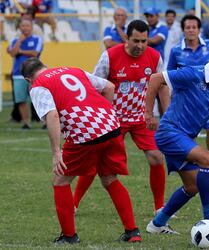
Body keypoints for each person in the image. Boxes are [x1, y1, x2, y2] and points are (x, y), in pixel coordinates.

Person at [21, 57, 142, 244]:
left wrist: (56, 152)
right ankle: (132, 232)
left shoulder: (38, 85)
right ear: (45, 65)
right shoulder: (73, 69)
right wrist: (102, 116)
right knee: (109, 179)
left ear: (28, 79)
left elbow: (52, 115)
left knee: (60, 180)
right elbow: (109, 87)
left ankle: (69, 236)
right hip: (111, 125)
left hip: (85, 133)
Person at [145, 44, 209, 234]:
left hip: (185, 137)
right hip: (169, 132)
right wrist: (149, 115)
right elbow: (155, 79)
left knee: (192, 187)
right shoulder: (192, 74)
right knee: (207, 158)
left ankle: (157, 224)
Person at [73, 20, 169, 216]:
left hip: (141, 118)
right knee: (95, 162)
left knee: (157, 157)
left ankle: (159, 207)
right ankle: (73, 203)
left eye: (144, 41)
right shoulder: (109, 56)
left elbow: (162, 85)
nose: (140, 46)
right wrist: (95, 116)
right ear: (126, 37)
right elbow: (93, 86)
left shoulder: (155, 56)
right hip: (112, 120)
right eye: (136, 41)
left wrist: (165, 115)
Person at [167, 14, 209, 173]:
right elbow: (169, 74)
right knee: (189, 135)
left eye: (194, 27)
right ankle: (194, 162)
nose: (191, 30)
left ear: (199, 29)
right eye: (187, 27)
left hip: (207, 98)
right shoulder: (176, 50)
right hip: (186, 100)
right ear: (183, 30)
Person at [7, 18, 43, 129]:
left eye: (27, 25)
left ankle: (45, 122)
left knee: (39, 99)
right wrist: (19, 42)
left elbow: (35, 53)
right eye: (23, 26)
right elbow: (12, 53)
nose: (25, 28)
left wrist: (21, 51)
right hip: (18, 74)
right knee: (21, 100)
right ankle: (26, 122)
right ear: (20, 27)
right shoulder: (15, 41)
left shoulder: (37, 39)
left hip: (34, 74)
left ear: (31, 27)